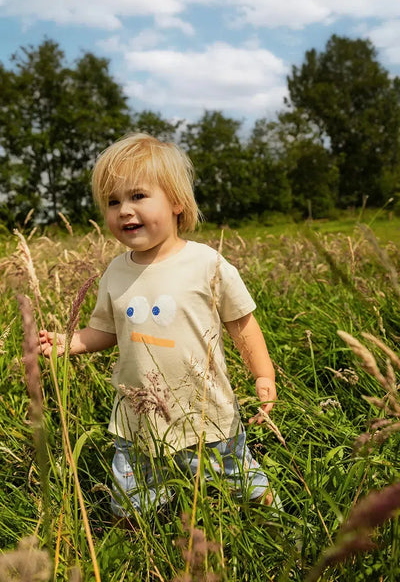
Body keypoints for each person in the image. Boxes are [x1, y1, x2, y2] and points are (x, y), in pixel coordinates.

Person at [39, 132, 279, 520]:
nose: (124, 211)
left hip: (208, 415)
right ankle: (141, 554)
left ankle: (281, 533)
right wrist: (69, 342)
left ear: (177, 203)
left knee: (243, 489)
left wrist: (263, 376)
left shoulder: (207, 264)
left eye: (138, 196)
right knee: (132, 506)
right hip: (138, 419)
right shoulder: (116, 271)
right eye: (113, 202)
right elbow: (107, 331)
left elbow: (242, 324)